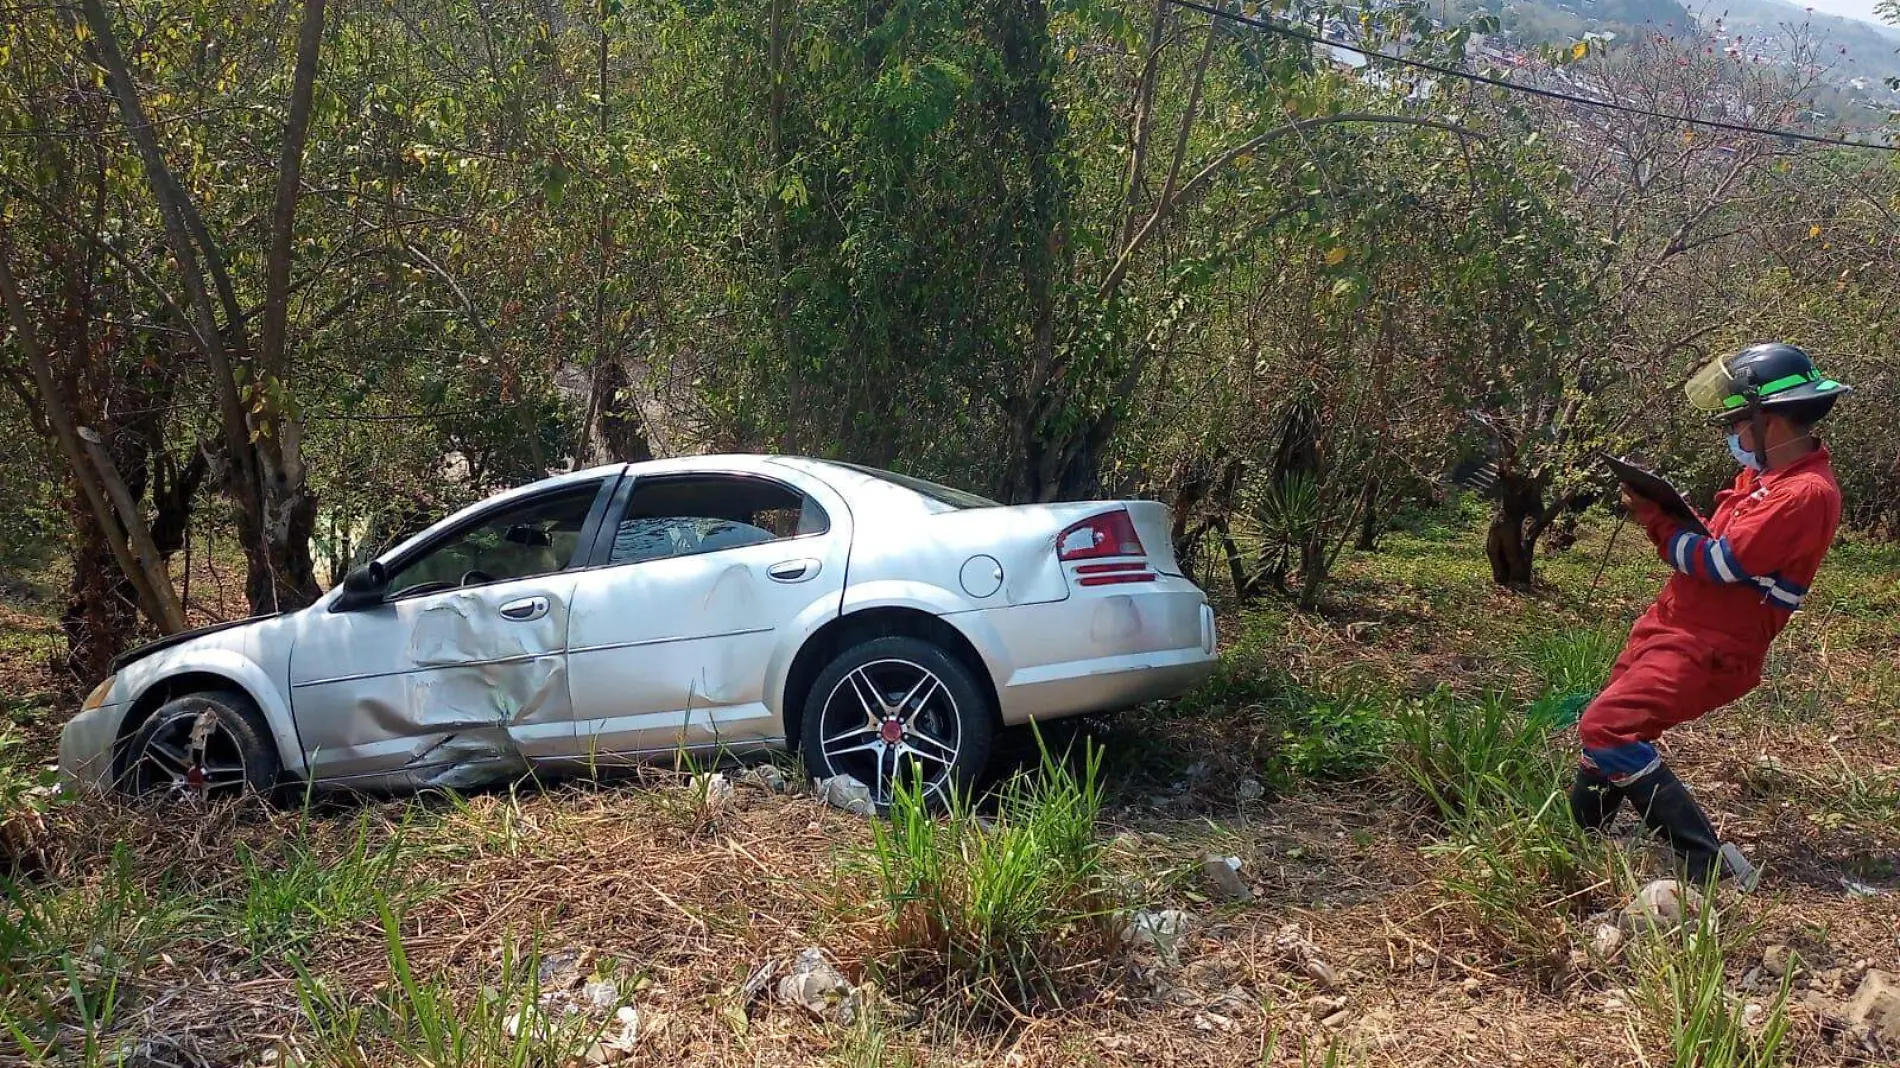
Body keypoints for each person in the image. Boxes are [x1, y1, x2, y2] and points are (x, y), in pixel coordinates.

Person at [1570, 342, 1852, 886]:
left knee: (1608, 727)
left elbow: (1719, 561)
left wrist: (1657, 519)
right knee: (1607, 722)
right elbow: (1723, 541)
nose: (1734, 437)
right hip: (1675, 625)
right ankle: (1583, 837)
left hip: (1710, 646)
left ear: (1766, 421)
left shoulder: (1804, 493)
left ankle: (1712, 866)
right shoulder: (1764, 482)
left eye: (1737, 423)